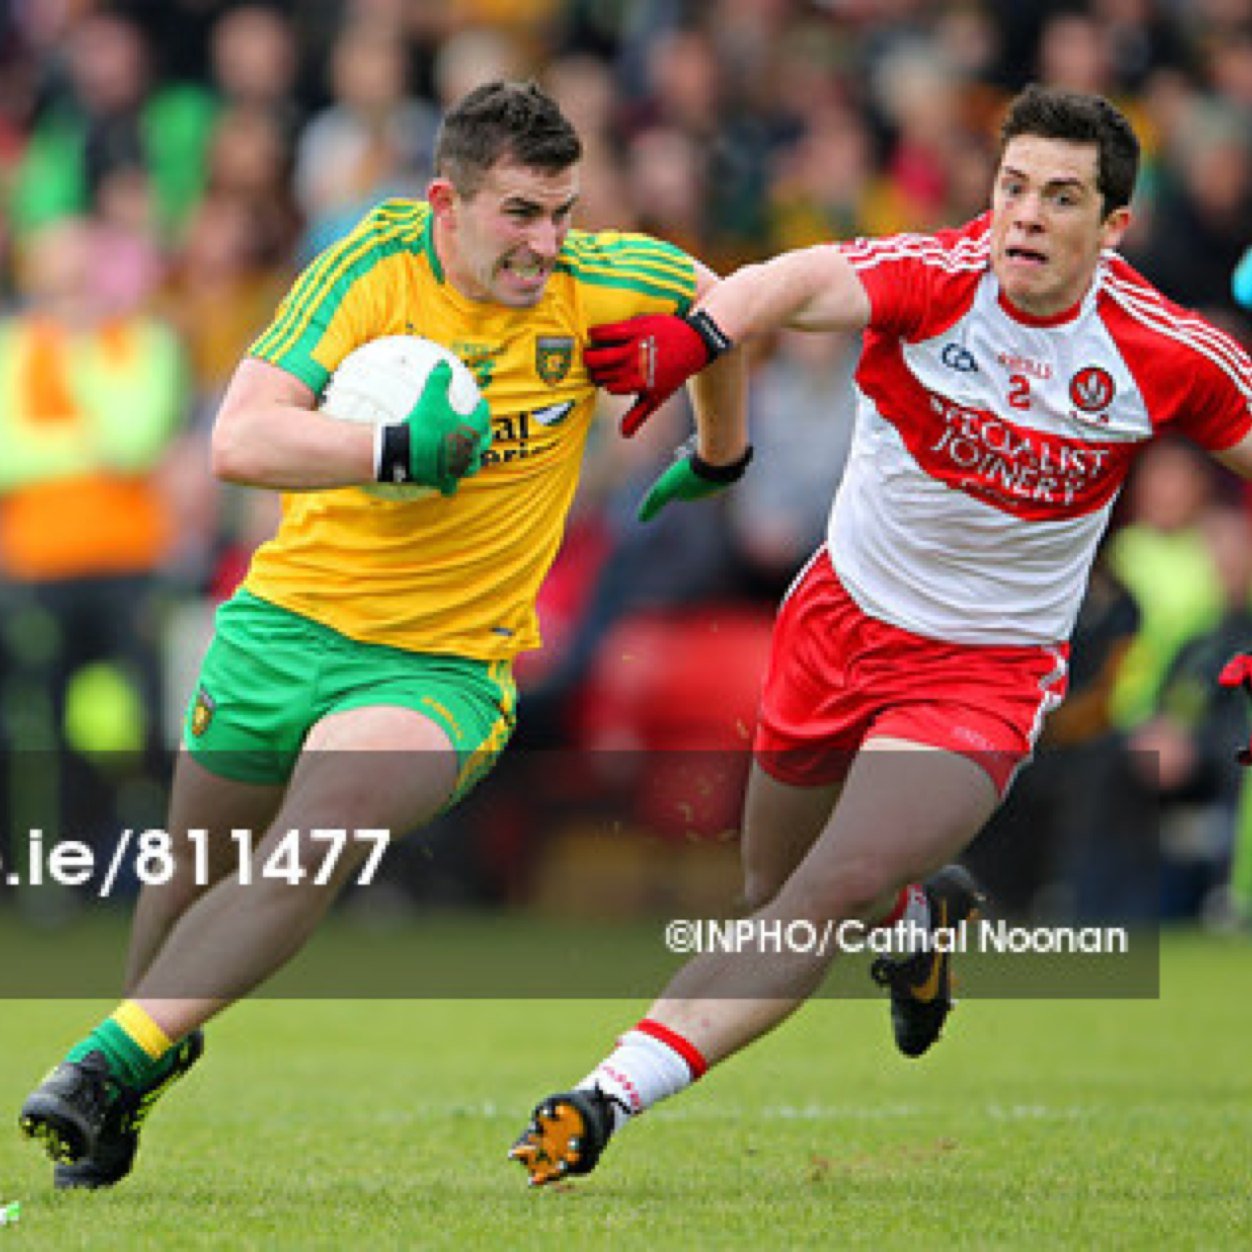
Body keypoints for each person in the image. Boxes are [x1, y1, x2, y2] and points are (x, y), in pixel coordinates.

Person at [509, 83, 1252, 1187]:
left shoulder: (1165, 349)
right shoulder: (932, 279)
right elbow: (790, 280)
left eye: (1061, 196)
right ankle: (918, 915)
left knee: (818, 892)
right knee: (773, 886)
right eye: (1012, 188)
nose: (1027, 217)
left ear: (1114, 228)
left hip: (984, 675)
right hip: (837, 624)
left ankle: (603, 1097)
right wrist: (699, 334)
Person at [17, 79, 749, 1189]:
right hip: (284, 627)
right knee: (181, 887)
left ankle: (97, 1064)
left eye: (562, 212)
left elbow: (729, 309)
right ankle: (136, 1066)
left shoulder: (608, 275)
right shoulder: (371, 264)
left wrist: (718, 447)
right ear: (444, 202)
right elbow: (240, 440)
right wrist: (394, 448)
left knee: (312, 842)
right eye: (519, 214)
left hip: (441, 670)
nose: (546, 244)